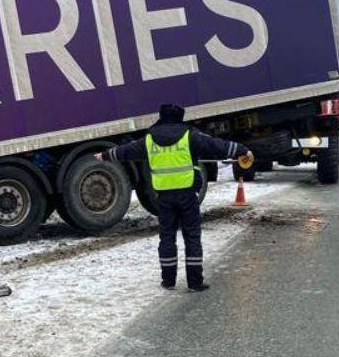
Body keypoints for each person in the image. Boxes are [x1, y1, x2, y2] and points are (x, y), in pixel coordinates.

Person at [97, 103, 251, 291]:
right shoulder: (190, 135)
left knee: (167, 238)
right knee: (192, 237)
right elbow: (217, 146)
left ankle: (168, 281)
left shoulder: (149, 139)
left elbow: (126, 151)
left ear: (161, 117)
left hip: (164, 198)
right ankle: (194, 282)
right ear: (180, 117)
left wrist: (105, 155)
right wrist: (242, 150)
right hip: (187, 195)